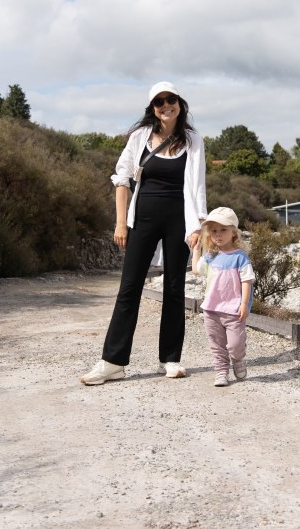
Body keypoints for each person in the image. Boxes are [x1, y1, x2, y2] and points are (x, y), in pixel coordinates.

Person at [81, 81, 207, 385]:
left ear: (179, 103)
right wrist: (120, 223)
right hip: (143, 219)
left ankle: (171, 359)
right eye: (159, 102)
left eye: (170, 99)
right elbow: (122, 178)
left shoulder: (193, 140)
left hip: (179, 220)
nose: (166, 106)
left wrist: (198, 229)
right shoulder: (140, 137)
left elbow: (198, 187)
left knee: (175, 289)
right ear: (152, 108)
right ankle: (112, 362)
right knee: (129, 287)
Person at [190, 207, 255, 387]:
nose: (218, 234)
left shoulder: (240, 257)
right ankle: (221, 372)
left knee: (235, 345)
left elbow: (247, 281)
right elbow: (196, 270)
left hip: (233, 309)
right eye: (214, 231)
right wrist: (196, 250)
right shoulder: (211, 256)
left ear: (233, 232)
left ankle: (238, 358)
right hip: (211, 309)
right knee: (217, 345)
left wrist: (244, 304)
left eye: (223, 229)